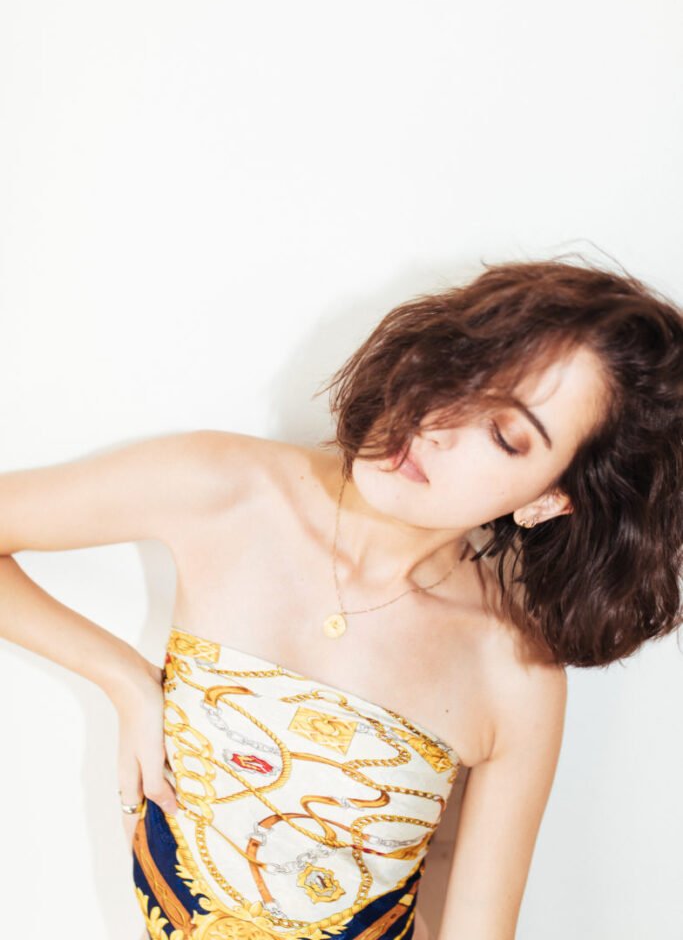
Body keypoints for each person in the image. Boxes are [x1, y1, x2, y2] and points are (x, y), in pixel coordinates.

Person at [1, 254, 682, 940]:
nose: (439, 422)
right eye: (465, 370)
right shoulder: (222, 489)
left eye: (504, 434)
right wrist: (124, 680)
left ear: (551, 498)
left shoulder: (515, 674)